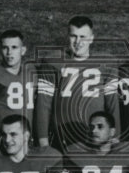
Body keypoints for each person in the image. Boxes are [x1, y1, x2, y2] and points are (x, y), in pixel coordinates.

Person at [34, 15, 119, 148]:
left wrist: (115, 136)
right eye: (74, 36)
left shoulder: (106, 65)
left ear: (91, 38)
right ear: (68, 36)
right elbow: (44, 104)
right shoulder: (53, 62)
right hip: (62, 137)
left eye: (83, 37)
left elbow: (112, 104)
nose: (78, 42)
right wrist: (43, 140)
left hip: (94, 137)